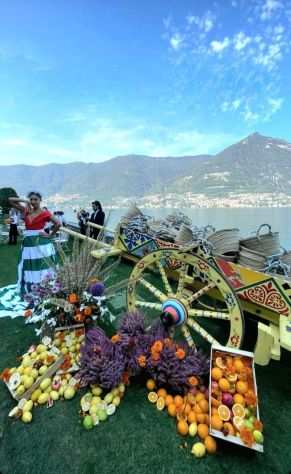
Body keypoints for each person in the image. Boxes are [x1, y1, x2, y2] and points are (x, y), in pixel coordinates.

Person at [9, 192, 60, 296]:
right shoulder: (26, 210)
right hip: (28, 243)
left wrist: (50, 235)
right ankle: (31, 287)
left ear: (40, 200)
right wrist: (24, 201)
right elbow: (10, 200)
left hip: (42, 243)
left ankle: (45, 287)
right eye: (31, 199)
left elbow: (58, 224)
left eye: (35, 199)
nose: (33, 201)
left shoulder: (45, 213)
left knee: (42, 265)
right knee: (29, 264)